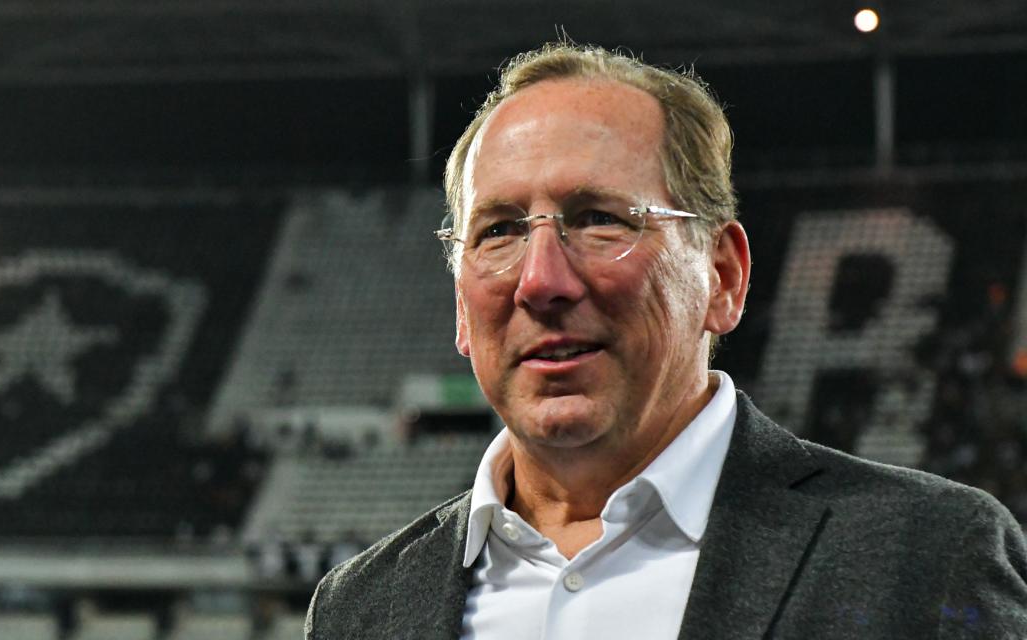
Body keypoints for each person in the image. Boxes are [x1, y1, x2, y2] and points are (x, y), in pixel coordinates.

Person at [305, 41, 1027, 638]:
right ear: (462, 309)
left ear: (722, 277)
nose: (540, 280)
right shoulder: (359, 609)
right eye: (498, 231)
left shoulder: (928, 559)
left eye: (599, 219)